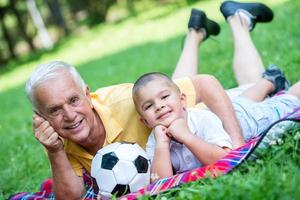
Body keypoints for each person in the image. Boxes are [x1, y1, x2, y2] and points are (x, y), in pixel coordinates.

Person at [25, 1, 275, 199]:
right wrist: (54, 152)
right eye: (55, 110)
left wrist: (237, 147)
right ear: (41, 117)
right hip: (175, 119)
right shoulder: (61, 138)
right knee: (167, 92)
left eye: (74, 100)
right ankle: (196, 32)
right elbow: (70, 197)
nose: (69, 115)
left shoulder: (124, 101)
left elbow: (205, 84)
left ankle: (238, 20)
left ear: (88, 95)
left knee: (250, 89)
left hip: (203, 120)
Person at [132, 72, 299, 181]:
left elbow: (225, 161)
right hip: (231, 109)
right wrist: (162, 145)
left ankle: (275, 84)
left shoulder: (203, 120)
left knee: (286, 102)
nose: (159, 106)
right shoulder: (155, 140)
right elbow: (159, 183)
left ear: (183, 100)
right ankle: (269, 79)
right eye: (148, 106)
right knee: (241, 101)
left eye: (165, 97)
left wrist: (187, 136)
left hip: (246, 121)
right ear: (145, 122)